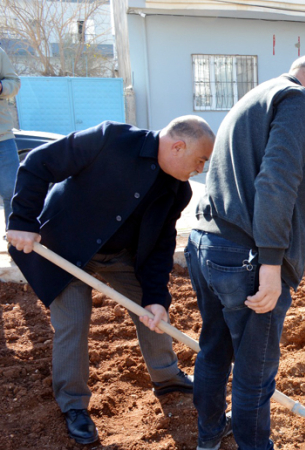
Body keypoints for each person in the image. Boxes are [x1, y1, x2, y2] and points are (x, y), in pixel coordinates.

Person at [6, 116, 215, 445]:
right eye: (201, 160)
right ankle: (74, 405)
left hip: (119, 257)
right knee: (74, 321)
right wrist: (22, 219)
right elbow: (38, 162)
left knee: (154, 314)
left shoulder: (177, 191)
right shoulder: (111, 139)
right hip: (65, 250)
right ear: (179, 146)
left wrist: (156, 297)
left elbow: (160, 246)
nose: (201, 169)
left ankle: (166, 376)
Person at [187, 53, 305, 450]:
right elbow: (278, 178)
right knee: (255, 374)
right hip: (247, 256)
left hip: (206, 242)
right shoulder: (300, 100)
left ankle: (209, 438)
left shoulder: (253, 97)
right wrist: (271, 262)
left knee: (214, 352)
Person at [0, 46, 21, 225]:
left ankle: (15, 238)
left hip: (3, 136)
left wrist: (1, 87)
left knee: (12, 190)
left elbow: (14, 82)